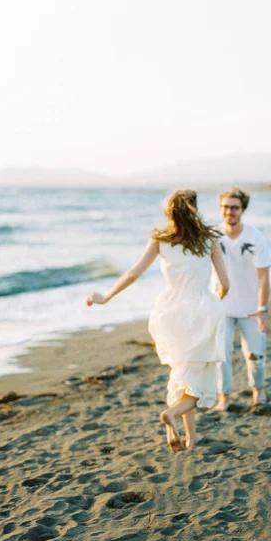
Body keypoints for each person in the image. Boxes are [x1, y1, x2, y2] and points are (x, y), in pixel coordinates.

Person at [87, 189, 229, 452]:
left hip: (170, 312)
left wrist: (105, 297)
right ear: (195, 208)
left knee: (184, 374)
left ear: (169, 211)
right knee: (199, 379)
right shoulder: (209, 240)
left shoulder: (159, 240)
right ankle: (171, 414)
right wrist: (215, 304)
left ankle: (191, 436)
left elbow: (133, 273)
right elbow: (225, 283)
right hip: (202, 310)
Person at [214, 188, 271, 411]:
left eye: (235, 208)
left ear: (242, 210)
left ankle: (259, 390)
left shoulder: (256, 237)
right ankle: (224, 397)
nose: (230, 212)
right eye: (226, 207)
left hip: (250, 308)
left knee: (255, 354)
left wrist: (263, 307)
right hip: (221, 307)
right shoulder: (213, 236)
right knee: (221, 355)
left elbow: (264, 275)